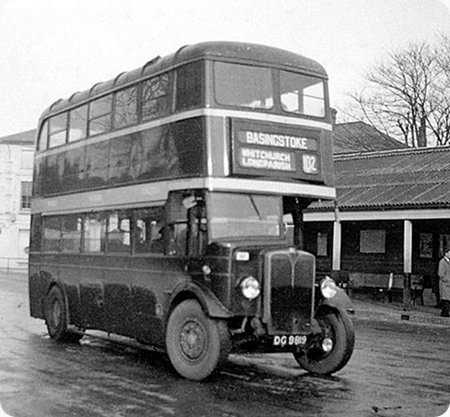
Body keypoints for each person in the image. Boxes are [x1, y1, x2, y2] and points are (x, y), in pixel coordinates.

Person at [437, 247, 450, 317]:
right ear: (446, 253)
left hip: (448, 284)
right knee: (446, 299)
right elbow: (441, 273)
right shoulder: (442, 262)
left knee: (448, 299)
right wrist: (447, 280)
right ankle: (445, 313)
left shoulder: (448, 262)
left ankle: (445, 312)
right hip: (445, 284)